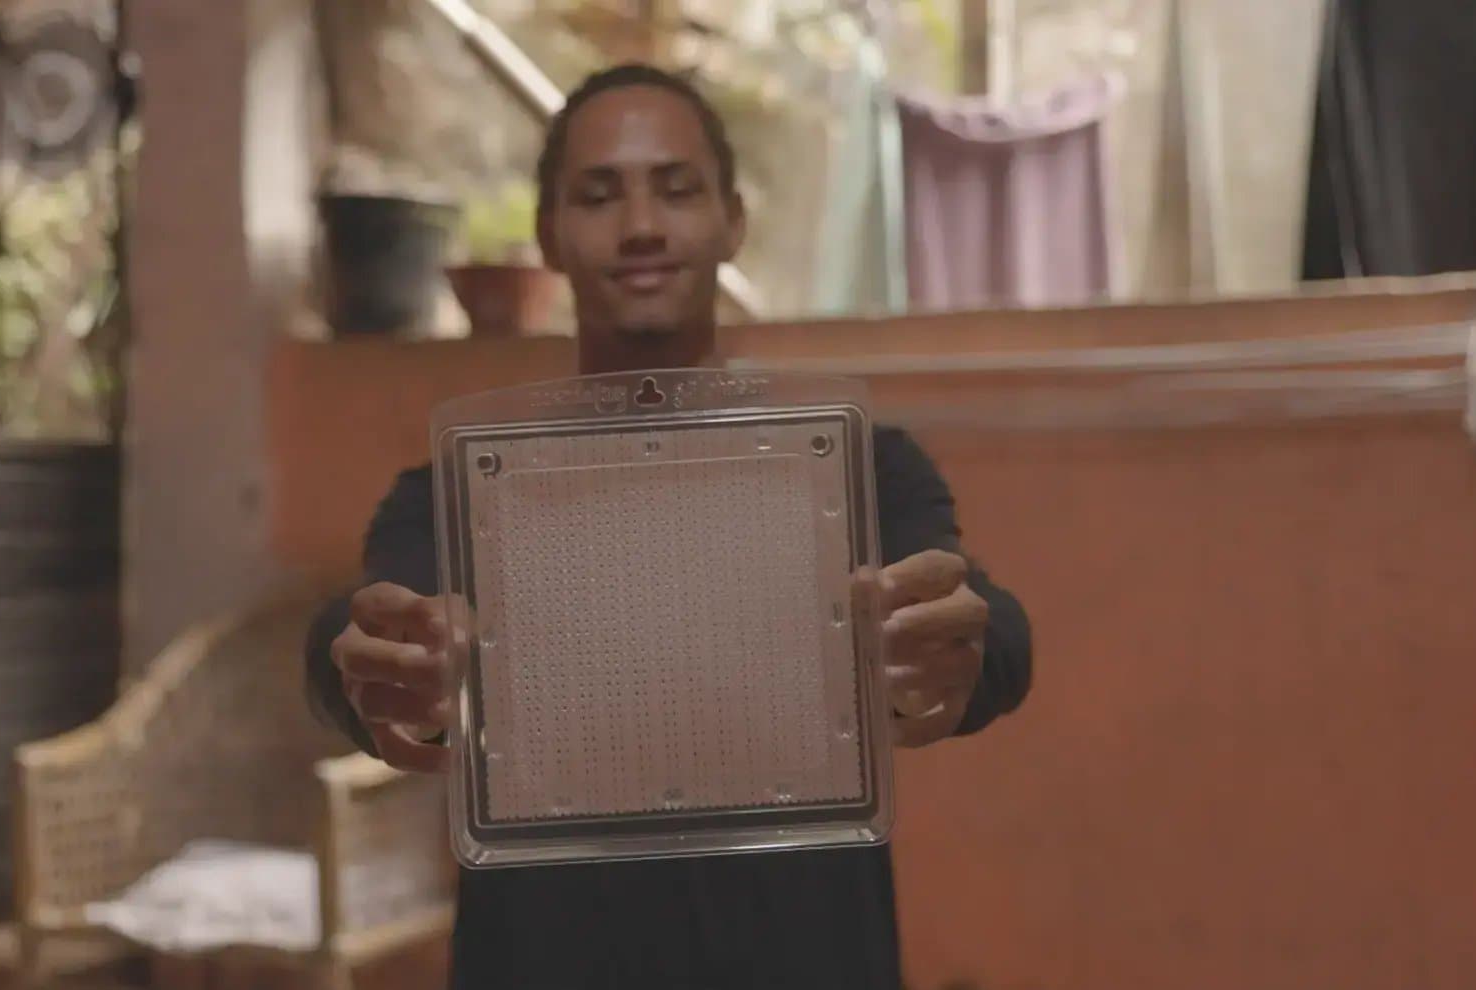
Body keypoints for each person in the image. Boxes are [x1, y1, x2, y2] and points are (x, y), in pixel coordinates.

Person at [305, 63, 1033, 990]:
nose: (642, 226)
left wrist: (958, 655)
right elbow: (353, 631)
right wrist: (372, 666)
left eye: (677, 190)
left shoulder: (856, 468)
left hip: (806, 954)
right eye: (599, 195)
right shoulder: (459, 490)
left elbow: (990, 621)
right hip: (547, 960)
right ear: (548, 235)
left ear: (733, 220)